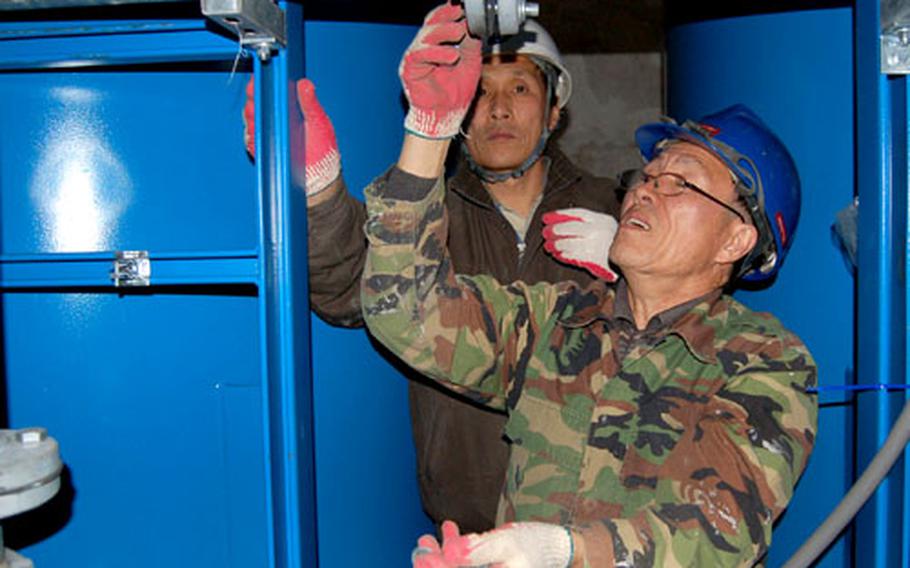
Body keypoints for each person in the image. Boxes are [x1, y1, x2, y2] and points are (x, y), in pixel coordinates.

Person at [358, 18, 818, 563]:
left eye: (681, 182)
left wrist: (562, 550)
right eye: (648, 176)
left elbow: (721, 530)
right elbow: (405, 311)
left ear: (735, 240)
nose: (647, 190)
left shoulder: (764, 360)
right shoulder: (557, 322)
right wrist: (428, 132)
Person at [243, 2, 621, 533]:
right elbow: (348, 290)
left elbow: (696, 316)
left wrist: (637, 262)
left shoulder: (620, 207)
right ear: (460, 108)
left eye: (520, 88)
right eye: (481, 92)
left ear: (554, 111)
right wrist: (321, 189)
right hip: (472, 526)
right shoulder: (421, 208)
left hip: (602, 526)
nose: (499, 109)